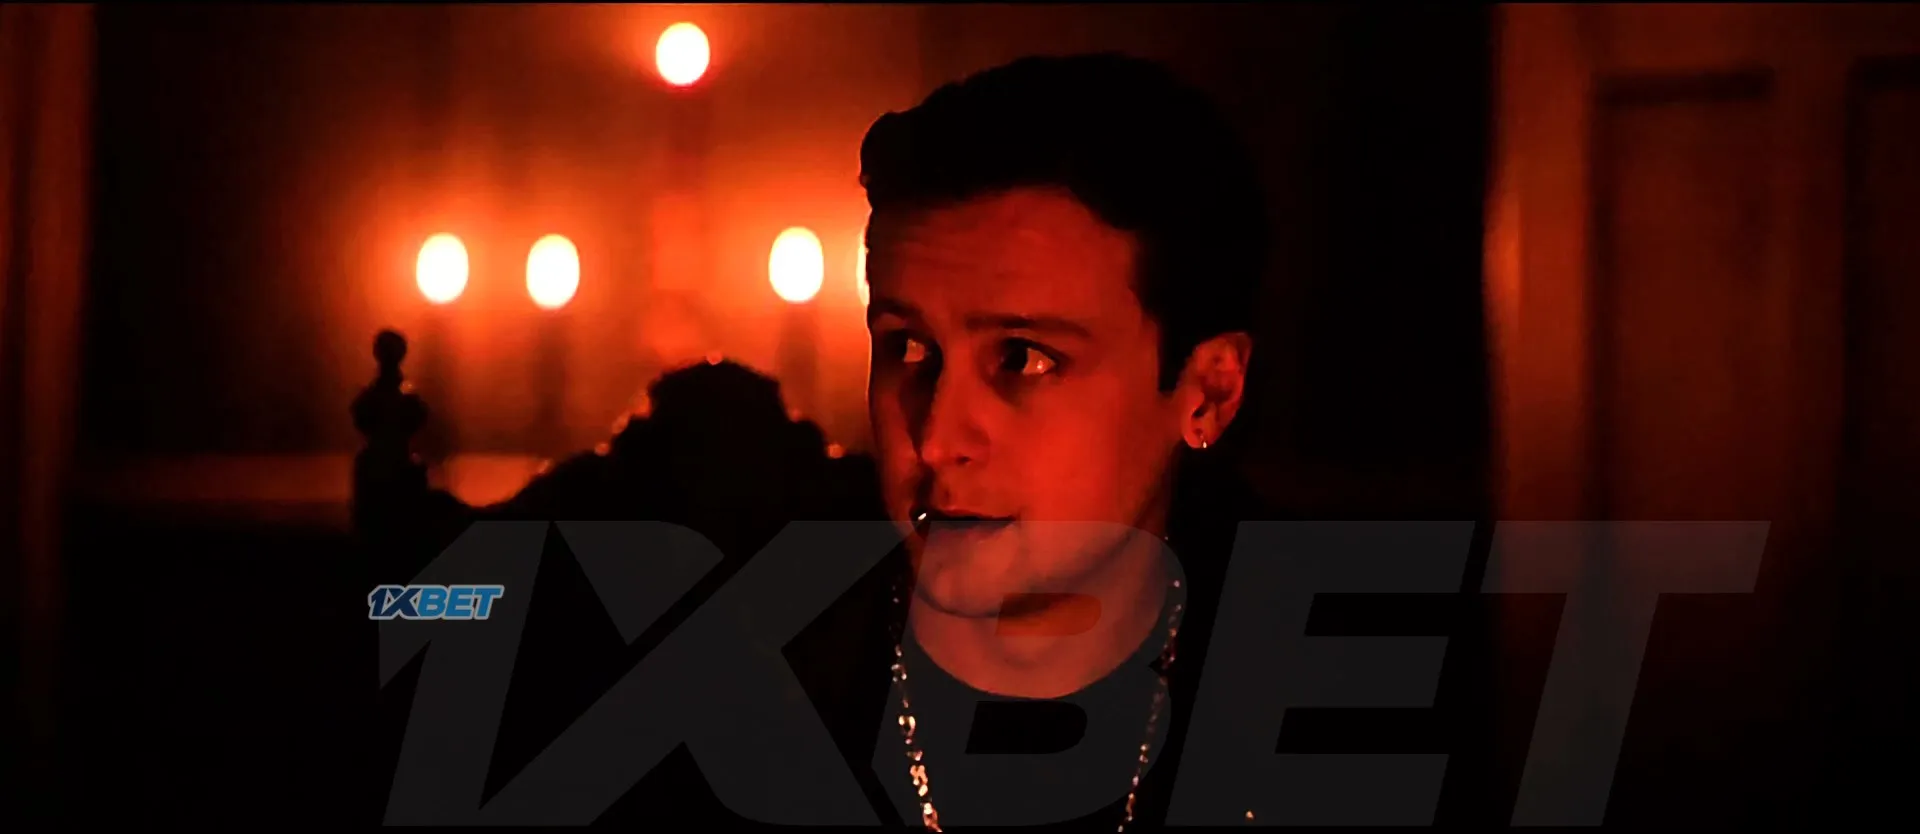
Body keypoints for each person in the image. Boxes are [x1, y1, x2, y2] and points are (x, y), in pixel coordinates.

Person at [374, 53, 1277, 830]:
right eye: (908, 348)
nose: (936, 434)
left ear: (1207, 391)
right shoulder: (727, 645)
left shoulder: (1292, 677)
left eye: (1024, 358)